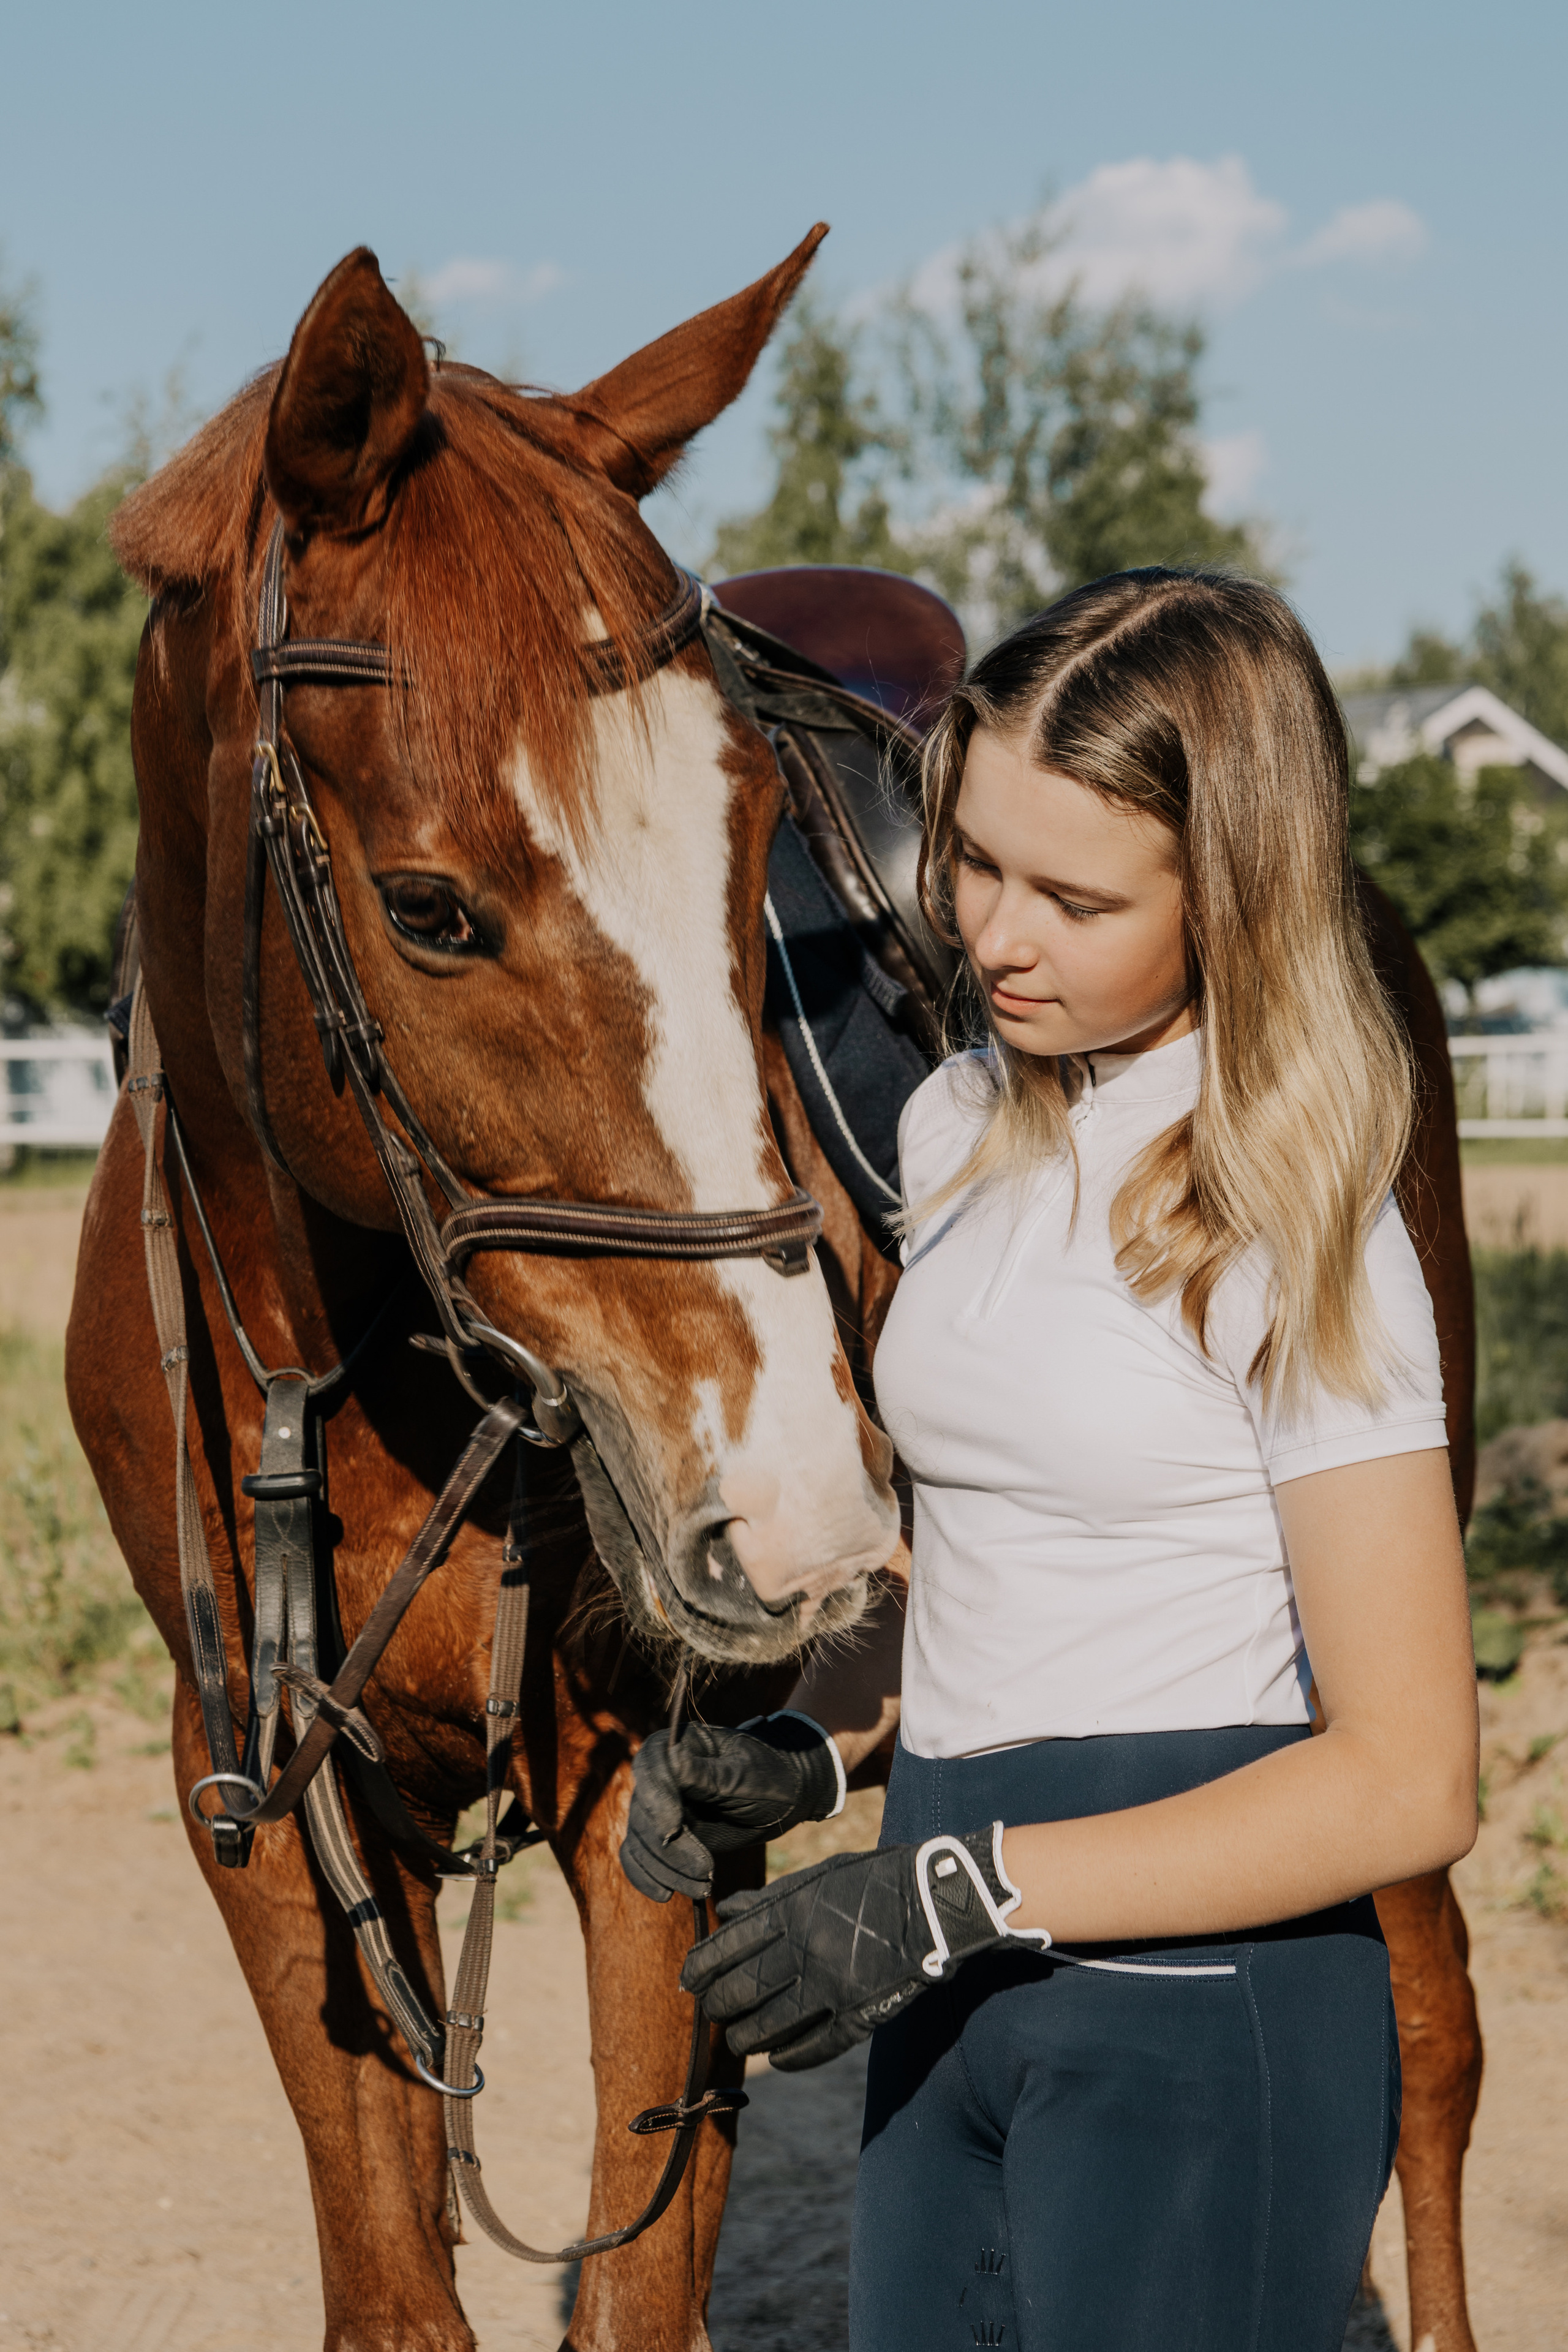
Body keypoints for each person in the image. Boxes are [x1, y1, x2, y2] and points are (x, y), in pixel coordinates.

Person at [619, 569, 1479, 2352]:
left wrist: (963, 1887)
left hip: (1199, 2004)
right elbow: (1007, 1564)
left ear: (1229, 897)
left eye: (1075, 898)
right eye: (977, 863)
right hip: (949, 1972)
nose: (995, 936)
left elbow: (1410, 1783)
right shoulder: (959, 1129)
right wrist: (814, 1744)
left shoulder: (1296, 1224)